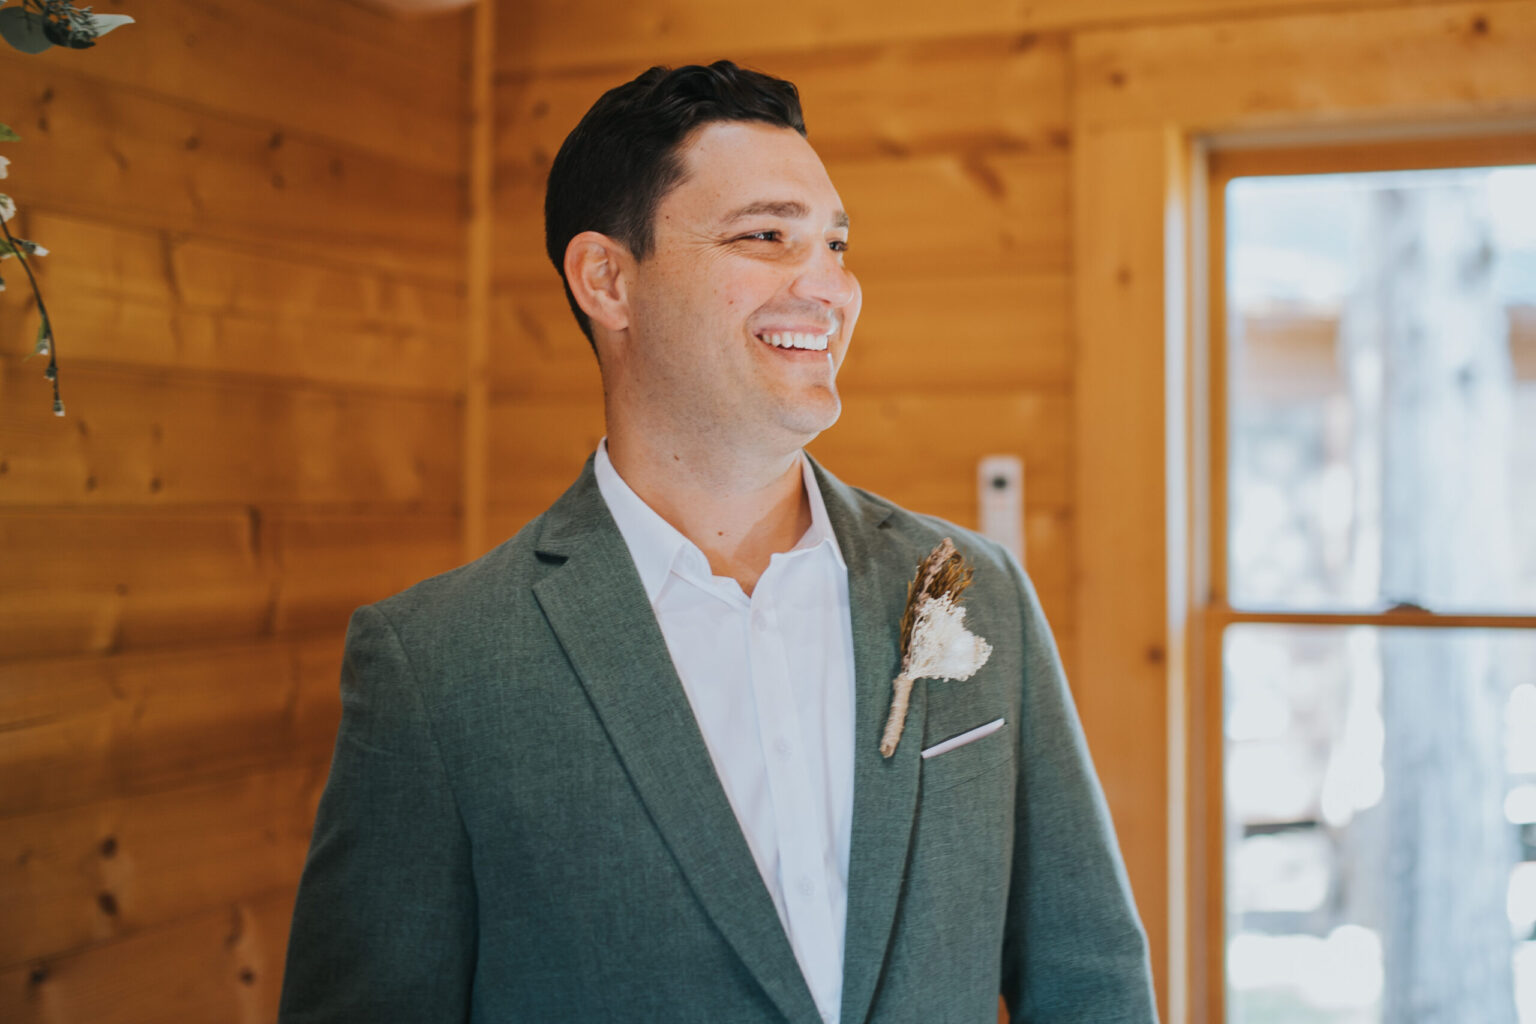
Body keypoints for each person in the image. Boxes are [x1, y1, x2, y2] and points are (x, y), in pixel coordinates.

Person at [278, 60, 1158, 1024]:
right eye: (767, 237)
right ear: (607, 279)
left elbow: (1091, 978)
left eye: (835, 244)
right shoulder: (437, 664)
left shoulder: (975, 590)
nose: (827, 287)